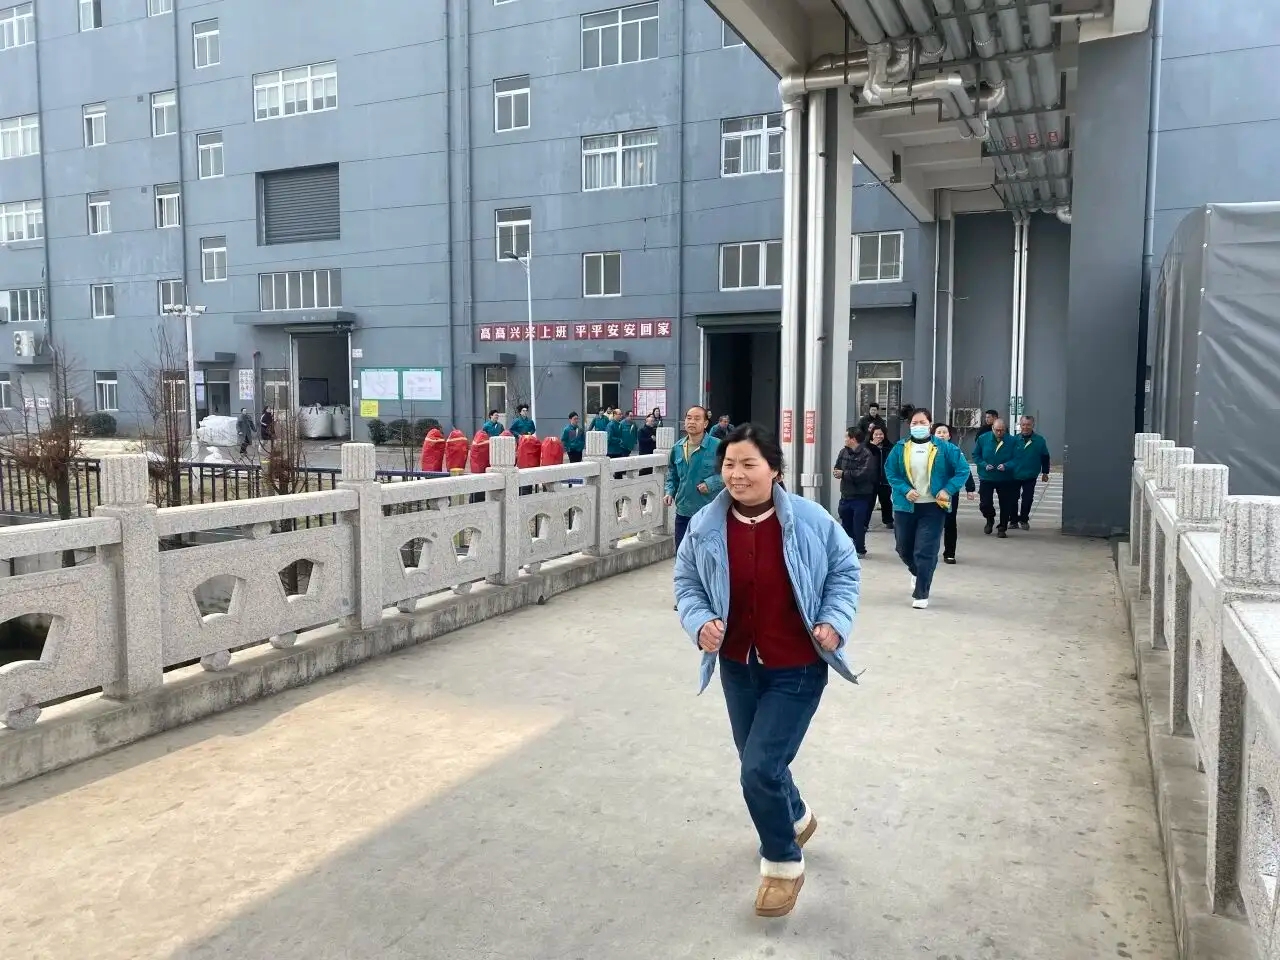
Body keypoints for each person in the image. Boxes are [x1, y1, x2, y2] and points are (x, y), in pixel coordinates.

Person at [673, 423, 861, 919]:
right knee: (760, 762)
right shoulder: (706, 525)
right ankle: (795, 814)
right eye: (729, 465)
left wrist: (834, 622)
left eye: (748, 464)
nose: (736, 474)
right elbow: (687, 582)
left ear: (774, 469)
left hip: (797, 667)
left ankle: (782, 863)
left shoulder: (810, 519)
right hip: (737, 666)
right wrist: (699, 622)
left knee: (757, 768)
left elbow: (845, 571)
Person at [884, 407, 971, 609]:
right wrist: (905, 490)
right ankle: (918, 572)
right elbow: (891, 472)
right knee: (903, 548)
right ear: (909, 426)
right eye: (915, 423)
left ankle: (921, 593)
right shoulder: (900, 448)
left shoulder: (945, 448)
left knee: (925, 550)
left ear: (930, 425)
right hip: (905, 506)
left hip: (933, 507)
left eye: (922, 422)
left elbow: (963, 470)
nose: (918, 426)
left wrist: (948, 489)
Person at [664, 406, 723, 552]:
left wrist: (711, 483)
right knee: (682, 553)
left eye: (697, 419)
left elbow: (731, 473)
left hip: (709, 511)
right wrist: (669, 491)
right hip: (683, 511)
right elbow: (672, 473)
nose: (692, 422)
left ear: (705, 423)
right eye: (689, 418)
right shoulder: (677, 447)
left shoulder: (718, 446)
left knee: (706, 556)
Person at [932, 424, 976, 565]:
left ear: (949, 436)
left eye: (944, 432)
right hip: (930, 493)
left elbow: (964, 470)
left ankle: (950, 553)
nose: (941, 434)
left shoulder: (955, 451)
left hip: (948, 493)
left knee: (949, 522)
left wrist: (970, 488)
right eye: (938, 432)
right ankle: (929, 552)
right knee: (930, 522)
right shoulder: (927, 450)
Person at [833, 427, 877, 558]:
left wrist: (844, 474)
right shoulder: (843, 452)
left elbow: (864, 474)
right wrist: (837, 472)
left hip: (861, 496)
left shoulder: (866, 454)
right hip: (845, 494)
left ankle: (860, 549)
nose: (845, 439)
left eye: (847, 437)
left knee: (858, 524)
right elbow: (837, 466)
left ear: (853, 439)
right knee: (845, 522)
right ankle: (848, 547)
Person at [972, 418, 1019, 538]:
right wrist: (984, 464)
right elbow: (976, 455)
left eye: (1002, 430)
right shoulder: (983, 439)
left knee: (1006, 503)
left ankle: (1002, 527)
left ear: (1005, 429)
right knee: (985, 503)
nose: (999, 432)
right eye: (997, 430)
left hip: (1005, 478)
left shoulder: (1012, 440)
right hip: (987, 476)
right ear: (992, 428)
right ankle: (990, 518)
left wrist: (1006, 466)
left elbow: (1017, 458)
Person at [1011, 415, 1051, 530]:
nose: (1025, 427)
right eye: (1023, 424)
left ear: (1033, 425)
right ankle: (1013, 520)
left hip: (1030, 475)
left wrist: (1045, 472)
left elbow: (1045, 457)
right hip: (1014, 474)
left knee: (1027, 499)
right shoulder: (1014, 440)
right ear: (1020, 425)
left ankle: (1024, 519)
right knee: (1012, 498)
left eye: (1028, 425)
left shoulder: (1039, 440)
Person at [868, 425, 894, 529]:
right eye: (876, 434)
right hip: (870, 480)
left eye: (881, 434)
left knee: (886, 501)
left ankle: (888, 521)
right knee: (869, 502)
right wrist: (873, 447)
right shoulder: (866, 447)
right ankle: (865, 523)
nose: (878, 436)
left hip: (885, 479)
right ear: (872, 435)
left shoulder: (889, 447)